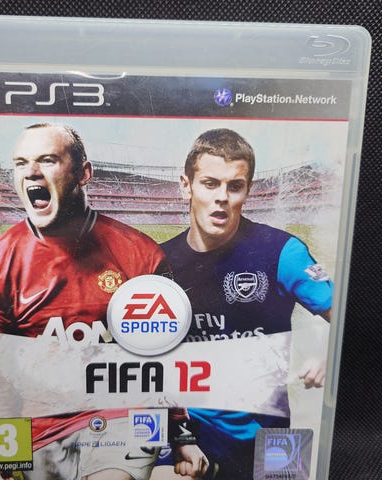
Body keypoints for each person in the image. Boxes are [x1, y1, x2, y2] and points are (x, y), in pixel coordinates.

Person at [0, 123, 208, 480]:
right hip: (41, 428)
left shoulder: (139, 254)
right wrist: (3, 454)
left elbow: (162, 356)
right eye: (21, 163)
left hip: (126, 416)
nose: (31, 171)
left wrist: (181, 434)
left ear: (84, 173)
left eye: (48, 160)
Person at [156, 128, 332, 479]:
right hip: (189, 432)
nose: (222, 197)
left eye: (234, 186)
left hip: (270, 432)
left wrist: (332, 357)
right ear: (186, 186)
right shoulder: (158, 262)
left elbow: (349, 314)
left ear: (247, 190)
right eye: (210, 184)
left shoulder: (282, 251)